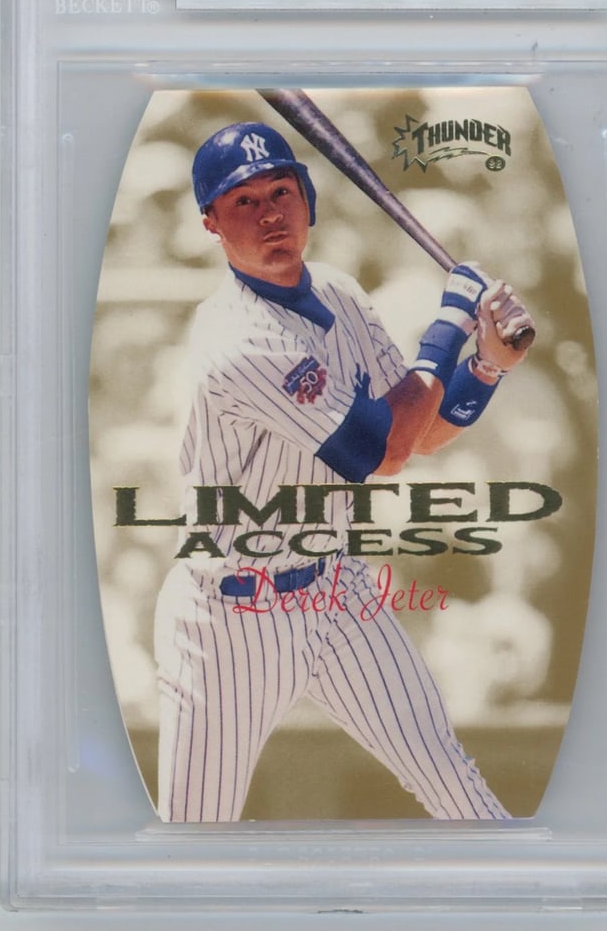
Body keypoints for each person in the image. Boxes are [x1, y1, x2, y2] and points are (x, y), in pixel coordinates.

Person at [154, 121, 534, 823]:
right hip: (231, 615)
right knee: (195, 840)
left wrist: (484, 366)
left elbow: (420, 434)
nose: (270, 214)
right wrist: (450, 321)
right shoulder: (236, 337)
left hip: (334, 586)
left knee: (453, 781)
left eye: (281, 192)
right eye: (244, 202)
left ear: (309, 200)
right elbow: (381, 454)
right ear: (211, 223)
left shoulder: (339, 291)